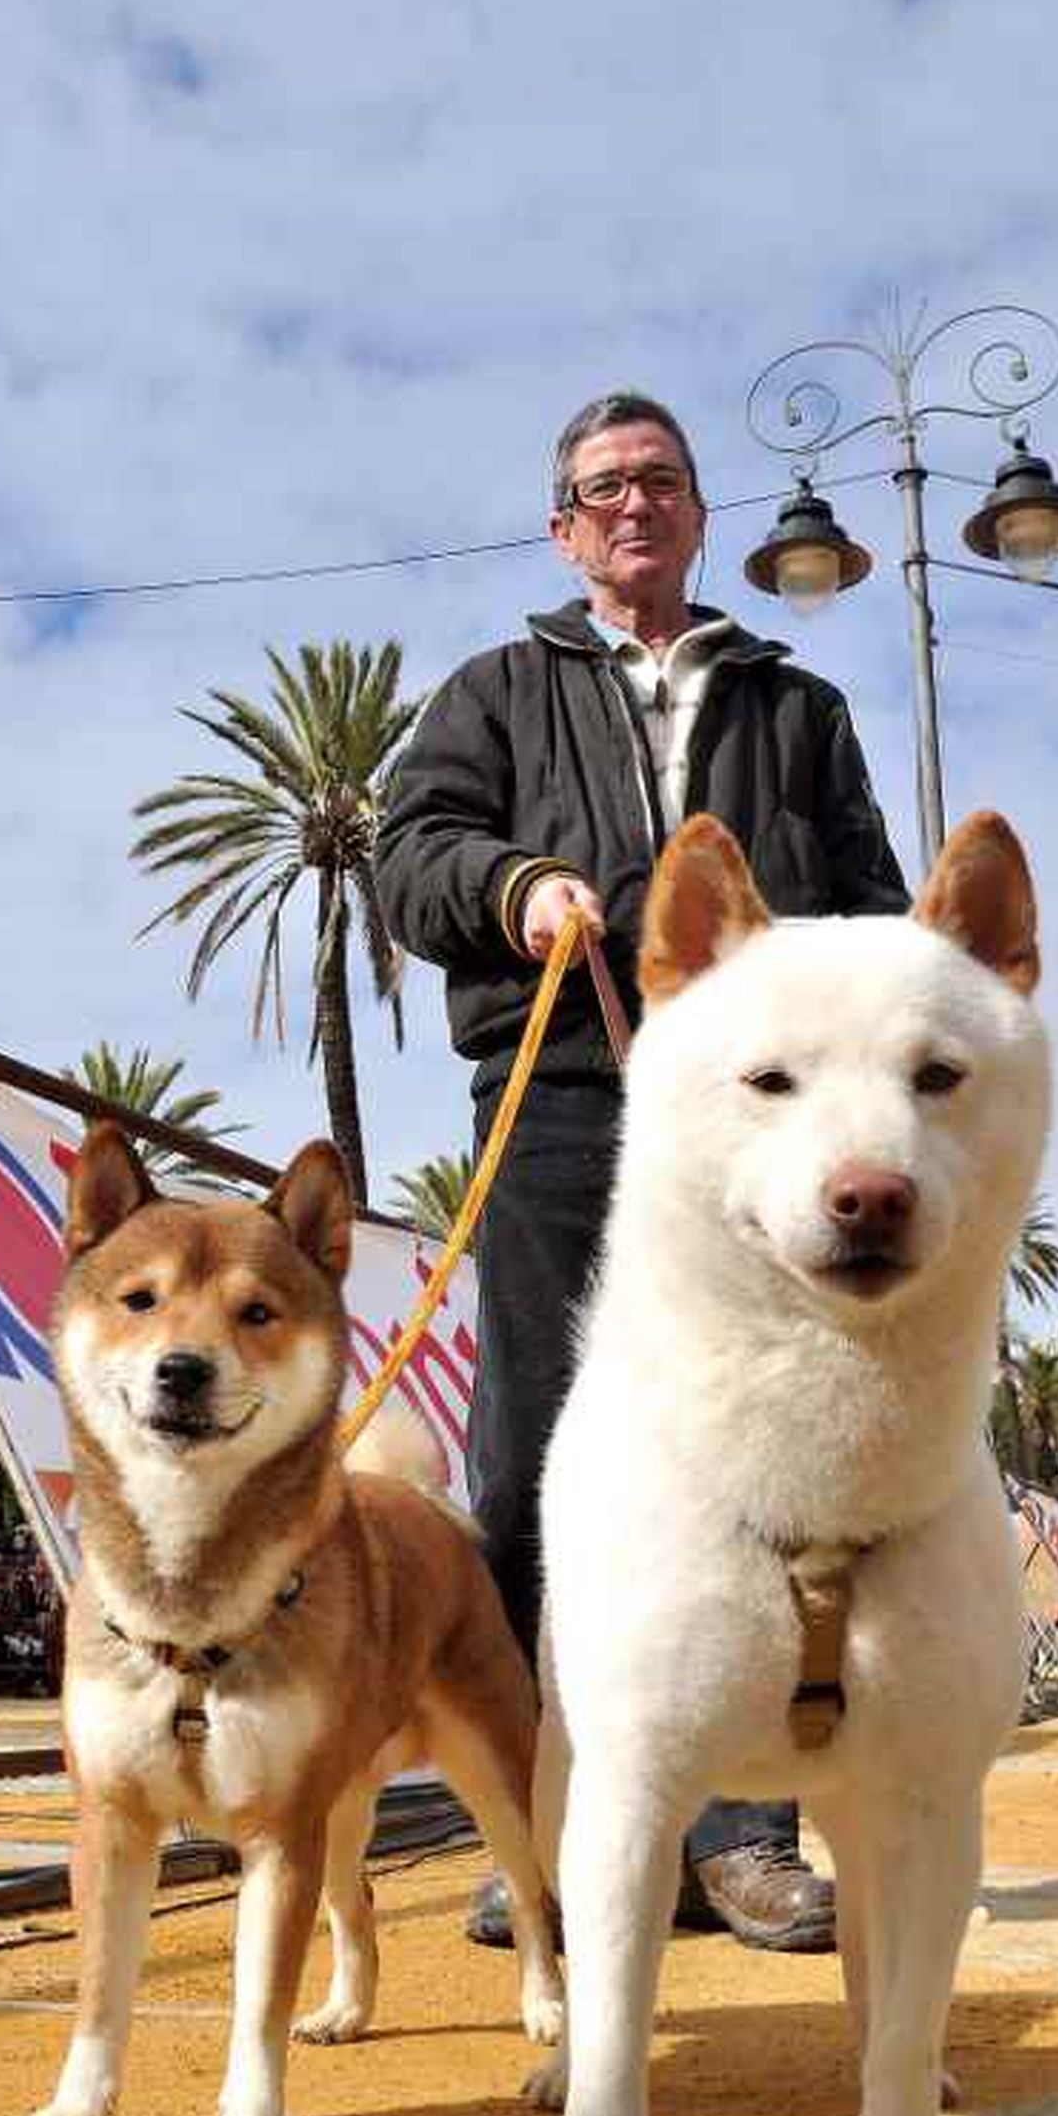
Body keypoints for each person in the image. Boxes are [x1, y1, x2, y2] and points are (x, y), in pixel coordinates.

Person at [376, 388, 910, 1950]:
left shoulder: (797, 711)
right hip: (555, 1090)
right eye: (604, 486)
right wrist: (514, 880)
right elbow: (413, 857)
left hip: (758, 1119)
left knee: (769, 1451)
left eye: (660, 482)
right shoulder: (490, 692)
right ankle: (560, 1826)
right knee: (542, 1442)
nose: (633, 505)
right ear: (561, 527)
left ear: (698, 513)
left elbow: (874, 898)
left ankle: (745, 1832)